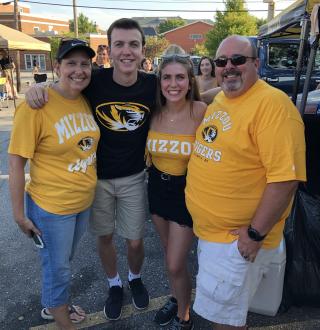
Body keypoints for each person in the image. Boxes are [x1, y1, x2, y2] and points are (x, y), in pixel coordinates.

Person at [24, 18, 157, 322]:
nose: (126, 51)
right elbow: (63, 86)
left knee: (135, 239)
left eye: (133, 44)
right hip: (96, 178)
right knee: (105, 237)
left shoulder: (152, 84)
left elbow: (186, 94)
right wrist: (38, 87)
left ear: (142, 50)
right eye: (119, 44)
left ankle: (134, 278)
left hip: (135, 176)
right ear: (109, 50)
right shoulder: (94, 80)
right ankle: (113, 285)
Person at [185, 35, 306, 329]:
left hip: (236, 240)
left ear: (256, 63)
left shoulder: (273, 106)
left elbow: (285, 180)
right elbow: (213, 95)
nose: (229, 67)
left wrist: (254, 234)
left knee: (224, 322)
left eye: (238, 60)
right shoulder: (225, 97)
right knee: (229, 316)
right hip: (214, 235)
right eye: (221, 62)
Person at [8, 38, 99, 330]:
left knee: (62, 262)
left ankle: (55, 305)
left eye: (85, 64)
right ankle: (63, 321)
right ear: (56, 66)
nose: (79, 70)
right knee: (57, 267)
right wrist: (19, 215)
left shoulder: (84, 98)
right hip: (51, 207)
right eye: (71, 63)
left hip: (81, 203)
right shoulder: (36, 106)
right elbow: (15, 163)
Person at [147, 45, 206, 330]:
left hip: (186, 193)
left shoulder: (201, 111)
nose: (173, 84)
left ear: (190, 80)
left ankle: (184, 315)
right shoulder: (153, 112)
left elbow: (232, 96)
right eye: (167, 77)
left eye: (180, 77)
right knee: (170, 251)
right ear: (159, 82)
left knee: (173, 262)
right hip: (157, 188)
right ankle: (175, 297)